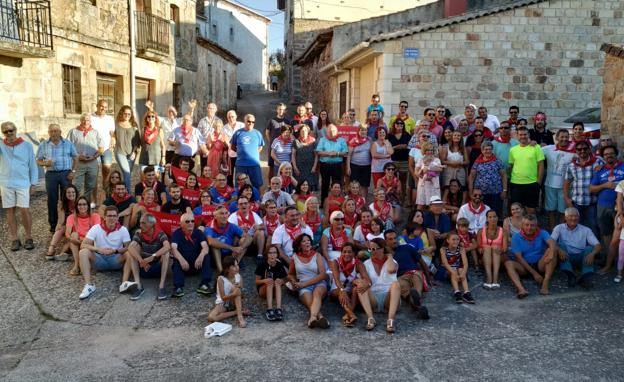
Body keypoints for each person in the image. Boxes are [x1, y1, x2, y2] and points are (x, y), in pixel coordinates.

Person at [77, 206, 131, 300]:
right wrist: (98, 249)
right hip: (99, 259)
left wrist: (116, 250)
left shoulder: (123, 230)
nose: (112, 218)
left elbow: (128, 247)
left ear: (118, 217)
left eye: (114, 216)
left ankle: (124, 283)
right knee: (83, 252)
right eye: (109, 216)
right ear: (104, 217)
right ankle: (89, 285)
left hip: (116, 259)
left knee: (130, 253)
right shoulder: (96, 228)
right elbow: (83, 244)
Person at [0, 121, 38, 251]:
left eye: (11, 130)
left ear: (16, 130)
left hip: (23, 182)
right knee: (10, 210)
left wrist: (33, 183)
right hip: (6, 183)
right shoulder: (1, 146)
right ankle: (14, 239)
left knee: (24, 209)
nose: (9, 133)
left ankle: (28, 237)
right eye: (5, 131)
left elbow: (32, 165)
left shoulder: (26, 145)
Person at [36, 123, 78, 233]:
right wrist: (45, 163)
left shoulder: (68, 144)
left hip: (66, 173)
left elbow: (76, 157)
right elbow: (38, 160)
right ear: (49, 133)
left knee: (68, 198)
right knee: (52, 200)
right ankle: (54, 224)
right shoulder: (43, 144)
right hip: (51, 175)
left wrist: (73, 171)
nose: (54, 133)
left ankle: (68, 222)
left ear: (60, 132)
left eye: (56, 131)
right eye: (52, 131)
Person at [505, 215, 558, 297]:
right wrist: (534, 274)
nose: (529, 228)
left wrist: (551, 253)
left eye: (532, 225)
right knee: (508, 263)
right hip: (524, 265)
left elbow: (552, 242)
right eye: (527, 225)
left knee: (551, 250)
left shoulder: (542, 232)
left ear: (536, 225)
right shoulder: (516, 237)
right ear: (522, 225)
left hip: (539, 264)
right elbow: (519, 258)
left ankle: (545, 283)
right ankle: (521, 289)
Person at [385, 230, 431, 319]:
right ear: (386, 241)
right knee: (406, 290)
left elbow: (422, 262)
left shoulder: (407, 247)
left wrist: (429, 279)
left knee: (416, 281)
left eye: (395, 238)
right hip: (400, 277)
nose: (394, 241)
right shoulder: (386, 254)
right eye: (390, 239)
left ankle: (416, 302)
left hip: (414, 272)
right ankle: (418, 305)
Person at [551, 207, 601, 289]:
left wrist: (593, 254)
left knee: (589, 249)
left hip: (580, 257)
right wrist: (559, 250)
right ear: (565, 217)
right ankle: (570, 276)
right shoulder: (559, 228)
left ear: (579, 217)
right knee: (560, 246)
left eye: (576, 216)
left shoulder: (586, 230)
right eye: (570, 216)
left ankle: (584, 277)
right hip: (565, 256)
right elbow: (551, 241)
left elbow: (598, 245)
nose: (573, 218)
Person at [288, 233, 330, 329]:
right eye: (304, 241)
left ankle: (312, 318)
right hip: (303, 285)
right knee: (309, 301)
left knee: (317, 294)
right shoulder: (294, 257)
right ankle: (321, 317)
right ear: (299, 245)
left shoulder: (317, 255)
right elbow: (290, 274)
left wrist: (304, 284)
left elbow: (323, 274)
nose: (307, 243)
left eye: (308, 241)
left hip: (318, 282)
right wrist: (294, 281)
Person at [124, 213, 171, 300]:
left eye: (143, 223)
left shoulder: (160, 234)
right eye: (140, 223)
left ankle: (161, 287)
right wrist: (141, 261)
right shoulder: (139, 233)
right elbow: (130, 247)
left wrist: (152, 257)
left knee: (166, 253)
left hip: (157, 268)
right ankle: (138, 286)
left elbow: (168, 246)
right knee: (133, 249)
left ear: (152, 224)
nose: (140, 225)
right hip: (143, 267)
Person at [329, 243, 376, 328]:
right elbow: (337, 279)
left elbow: (367, 279)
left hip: (350, 290)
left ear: (354, 253)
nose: (347, 254)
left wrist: (366, 284)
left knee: (356, 287)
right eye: (344, 252)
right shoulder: (335, 262)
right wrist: (342, 290)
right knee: (341, 293)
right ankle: (351, 314)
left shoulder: (358, 264)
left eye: (350, 252)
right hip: (337, 288)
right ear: (341, 253)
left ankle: (348, 315)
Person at [590, 145, 624, 259]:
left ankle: (620, 256)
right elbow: (591, 189)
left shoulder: (623, 166)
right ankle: (610, 257)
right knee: (606, 232)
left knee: (620, 233)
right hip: (603, 205)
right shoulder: (599, 170)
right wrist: (604, 185)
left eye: (611, 153)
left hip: (620, 207)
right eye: (606, 154)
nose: (609, 155)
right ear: (603, 156)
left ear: (616, 154)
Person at [170, 213, 213, 297]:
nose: (190, 223)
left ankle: (204, 284)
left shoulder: (198, 232)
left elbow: (205, 247)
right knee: (176, 259)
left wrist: (201, 256)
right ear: (181, 224)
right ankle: (178, 288)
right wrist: (181, 260)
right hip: (183, 266)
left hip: (197, 265)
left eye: (192, 221)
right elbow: (173, 249)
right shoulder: (177, 234)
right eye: (187, 221)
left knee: (206, 255)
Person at [563, 140, 601, 235]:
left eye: (585, 148)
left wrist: (603, 167)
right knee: (577, 225)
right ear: (576, 151)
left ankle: (594, 246)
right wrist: (567, 198)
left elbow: (609, 167)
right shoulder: (571, 165)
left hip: (592, 201)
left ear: (589, 150)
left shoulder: (597, 162)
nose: (582, 151)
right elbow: (567, 182)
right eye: (579, 149)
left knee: (593, 225)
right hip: (577, 202)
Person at [363, 238, 401, 333]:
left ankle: (390, 320)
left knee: (396, 284)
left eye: (375, 249)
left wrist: (390, 256)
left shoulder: (392, 262)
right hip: (374, 298)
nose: (372, 251)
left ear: (382, 249)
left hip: (388, 298)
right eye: (370, 249)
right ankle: (371, 318)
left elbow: (391, 270)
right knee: (361, 286)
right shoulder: (366, 263)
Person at [67, 113, 104, 207]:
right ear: (80, 120)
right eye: (83, 119)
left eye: (88, 120)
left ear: (90, 121)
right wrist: (78, 156)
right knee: (77, 186)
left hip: (92, 162)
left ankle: (85, 206)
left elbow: (101, 148)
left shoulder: (95, 132)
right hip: (78, 162)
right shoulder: (73, 132)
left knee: (90, 186)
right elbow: (68, 147)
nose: (85, 122)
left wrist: (94, 157)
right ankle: (75, 205)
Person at [541, 129, 575, 231]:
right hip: (550, 184)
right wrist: (532, 143)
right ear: (556, 138)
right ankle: (552, 230)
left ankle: (560, 230)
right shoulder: (548, 149)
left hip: (564, 187)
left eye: (566, 137)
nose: (564, 139)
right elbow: (533, 151)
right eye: (562, 137)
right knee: (551, 210)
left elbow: (587, 157)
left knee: (562, 211)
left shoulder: (573, 151)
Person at [508, 127, 544, 215]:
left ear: (529, 135)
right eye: (520, 134)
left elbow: (541, 165)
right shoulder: (513, 150)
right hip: (516, 184)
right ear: (517, 136)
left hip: (532, 184)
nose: (523, 136)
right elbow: (511, 166)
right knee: (516, 211)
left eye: (525, 134)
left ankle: (531, 228)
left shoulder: (536, 147)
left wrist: (538, 182)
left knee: (531, 211)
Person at [205, 205, 251, 273]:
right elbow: (211, 242)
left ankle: (235, 264)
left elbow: (249, 237)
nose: (224, 216)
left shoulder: (231, 225)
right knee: (215, 245)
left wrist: (240, 248)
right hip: (216, 257)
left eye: (226, 213)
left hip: (230, 255)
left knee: (243, 241)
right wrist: (232, 248)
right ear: (215, 216)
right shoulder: (210, 227)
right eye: (221, 213)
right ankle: (220, 271)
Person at [468, 141, 507, 217]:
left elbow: (504, 175)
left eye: (490, 149)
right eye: (486, 149)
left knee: (495, 212)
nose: (488, 151)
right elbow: (471, 177)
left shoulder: (497, 161)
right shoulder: (477, 162)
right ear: (482, 150)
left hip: (496, 193)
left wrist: (504, 190)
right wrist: (470, 192)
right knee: (482, 213)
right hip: (481, 194)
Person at [208, 256, 249, 328]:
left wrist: (239, 288)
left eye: (237, 265)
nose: (237, 268)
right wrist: (233, 294)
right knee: (211, 317)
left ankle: (240, 317)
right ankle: (236, 312)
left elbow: (242, 295)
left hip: (234, 302)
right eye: (234, 266)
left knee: (235, 288)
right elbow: (223, 298)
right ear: (227, 269)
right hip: (224, 302)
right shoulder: (221, 279)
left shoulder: (239, 277)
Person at [66, 196, 101, 276]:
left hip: (90, 242)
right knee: (73, 234)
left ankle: (87, 264)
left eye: (84, 204)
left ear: (88, 206)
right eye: (80, 204)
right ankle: (76, 265)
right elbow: (67, 234)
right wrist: (73, 239)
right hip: (77, 241)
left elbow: (97, 233)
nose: (82, 207)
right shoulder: (71, 217)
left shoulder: (95, 216)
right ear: (76, 206)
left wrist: (84, 241)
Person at [230, 114, 264, 189]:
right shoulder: (238, 133)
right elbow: (232, 146)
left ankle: (257, 200)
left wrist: (252, 154)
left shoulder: (257, 133)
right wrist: (241, 153)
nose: (251, 123)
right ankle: (239, 200)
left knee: (257, 185)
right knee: (239, 186)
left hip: (254, 164)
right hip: (241, 164)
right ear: (244, 121)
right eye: (248, 121)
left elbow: (260, 147)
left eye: (253, 122)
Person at [439, 232, 475, 304]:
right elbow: (445, 264)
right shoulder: (443, 249)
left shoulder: (461, 249)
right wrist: (453, 272)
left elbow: (465, 263)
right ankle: (457, 292)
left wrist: (463, 273)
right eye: (453, 239)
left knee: (461, 269)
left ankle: (466, 292)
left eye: (457, 239)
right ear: (448, 240)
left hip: (458, 270)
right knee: (454, 270)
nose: (456, 241)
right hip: (447, 270)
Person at [255, 245, 288, 321]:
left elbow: (286, 278)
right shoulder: (262, 264)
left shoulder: (279, 265)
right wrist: (264, 281)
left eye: (274, 253)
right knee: (270, 282)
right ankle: (269, 309)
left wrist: (282, 281)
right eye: (270, 253)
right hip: (263, 289)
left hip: (275, 290)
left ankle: (278, 309)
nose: (272, 255)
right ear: (267, 254)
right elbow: (256, 282)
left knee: (277, 282)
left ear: (277, 254)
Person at [315, 124, 348, 201]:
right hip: (325, 165)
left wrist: (337, 153)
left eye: (333, 131)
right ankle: (324, 202)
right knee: (325, 184)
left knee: (337, 184)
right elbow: (318, 152)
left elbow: (346, 153)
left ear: (336, 131)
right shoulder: (322, 139)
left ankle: (337, 201)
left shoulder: (341, 140)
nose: (331, 132)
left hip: (337, 165)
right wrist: (329, 153)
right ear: (327, 132)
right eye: (330, 131)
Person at [45, 185, 78, 260]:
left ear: (76, 193)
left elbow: (78, 220)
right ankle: (52, 247)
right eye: (68, 192)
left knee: (70, 234)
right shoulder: (62, 204)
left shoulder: (79, 202)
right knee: (61, 228)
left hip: (78, 225)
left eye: (73, 192)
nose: (71, 194)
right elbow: (61, 220)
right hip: (67, 225)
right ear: (65, 194)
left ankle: (64, 252)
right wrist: (58, 227)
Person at [477, 210, 507, 289]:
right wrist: (481, 249)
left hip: (499, 257)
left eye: (494, 217)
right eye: (490, 217)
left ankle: (495, 280)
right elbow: (479, 247)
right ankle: (489, 279)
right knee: (487, 248)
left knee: (495, 247)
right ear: (486, 219)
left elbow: (505, 248)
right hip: (485, 257)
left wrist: (499, 249)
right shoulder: (480, 231)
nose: (492, 219)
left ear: (497, 218)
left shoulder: (503, 231)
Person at [113, 105, 140, 192]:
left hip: (131, 153)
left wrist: (134, 152)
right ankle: (128, 195)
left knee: (126, 175)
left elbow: (137, 140)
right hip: (120, 151)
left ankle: (120, 193)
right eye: (125, 114)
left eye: (129, 114)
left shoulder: (134, 124)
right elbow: (112, 135)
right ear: (122, 113)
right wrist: (112, 139)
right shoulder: (116, 124)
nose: (127, 116)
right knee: (127, 173)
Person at [91, 100, 115, 193]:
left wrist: (113, 138)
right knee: (94, 174)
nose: (103, 108)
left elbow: (112, 132)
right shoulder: (91, 117)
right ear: (97, 106)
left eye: (105, 107)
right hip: (94, 149)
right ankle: (93, 199)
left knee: (107, 171)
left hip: (106, 148)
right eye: (101, 106)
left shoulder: (109, 118)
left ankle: (105, 193)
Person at [415, 142, 443, 210]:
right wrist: (421, 175)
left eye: (431, 150)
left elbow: (440, 169)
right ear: (424, 151)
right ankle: (417, 217)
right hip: (423, 183)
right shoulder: (421, 159)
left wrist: (428, 168)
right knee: (421, 204)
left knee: (434, 205)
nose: (430, 152)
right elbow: (416, 171)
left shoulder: (437, 160)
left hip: (433, 184)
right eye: (428, 150)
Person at [346, 125, 372, 197]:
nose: (363, 132)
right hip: (354, 165)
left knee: (364, 185)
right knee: (354, 184)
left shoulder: (369, 140)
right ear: (358, 131)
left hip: (366, 166)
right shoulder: (353, 140)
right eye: (361, 130)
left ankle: (363, 203)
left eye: (365, 130)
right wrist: (348, 167)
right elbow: (349, 155)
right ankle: (353, 202)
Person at [138, 108, 166, 175]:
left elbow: (163, 145)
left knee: (155, 179)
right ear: (146, 118)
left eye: (153, 116)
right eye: (149, 116)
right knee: (143, 178)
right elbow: (142, 144)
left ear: (155, 118)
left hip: (156, 158)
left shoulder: (159, 130)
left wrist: (163, 157)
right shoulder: (143, 130)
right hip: (144, 158)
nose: (151, 118)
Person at [265, 103, 290, 179]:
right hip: (273, 148)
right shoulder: (272, 121)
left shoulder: (287, 121)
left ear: (285, 111)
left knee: (285, 167)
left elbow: (289, 133)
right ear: (277, 110)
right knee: (271, 168)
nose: (281, 111)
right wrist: (272, 142)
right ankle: (270, 185)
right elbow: (267, 132)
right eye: (280, 109)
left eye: (283, 109)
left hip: (284, 148)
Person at [291, 124, 318, 191]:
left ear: (308, 131)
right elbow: (293, 155)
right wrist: (295, 167)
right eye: (302, 131)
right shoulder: (296, 141)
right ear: (299, 132)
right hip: (299, 168)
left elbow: (316, 155)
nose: (304, 132)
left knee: (310, 187)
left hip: (310, 168)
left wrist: (314, 167)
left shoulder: (313, 141)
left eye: (305, 130)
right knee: (299, 186)